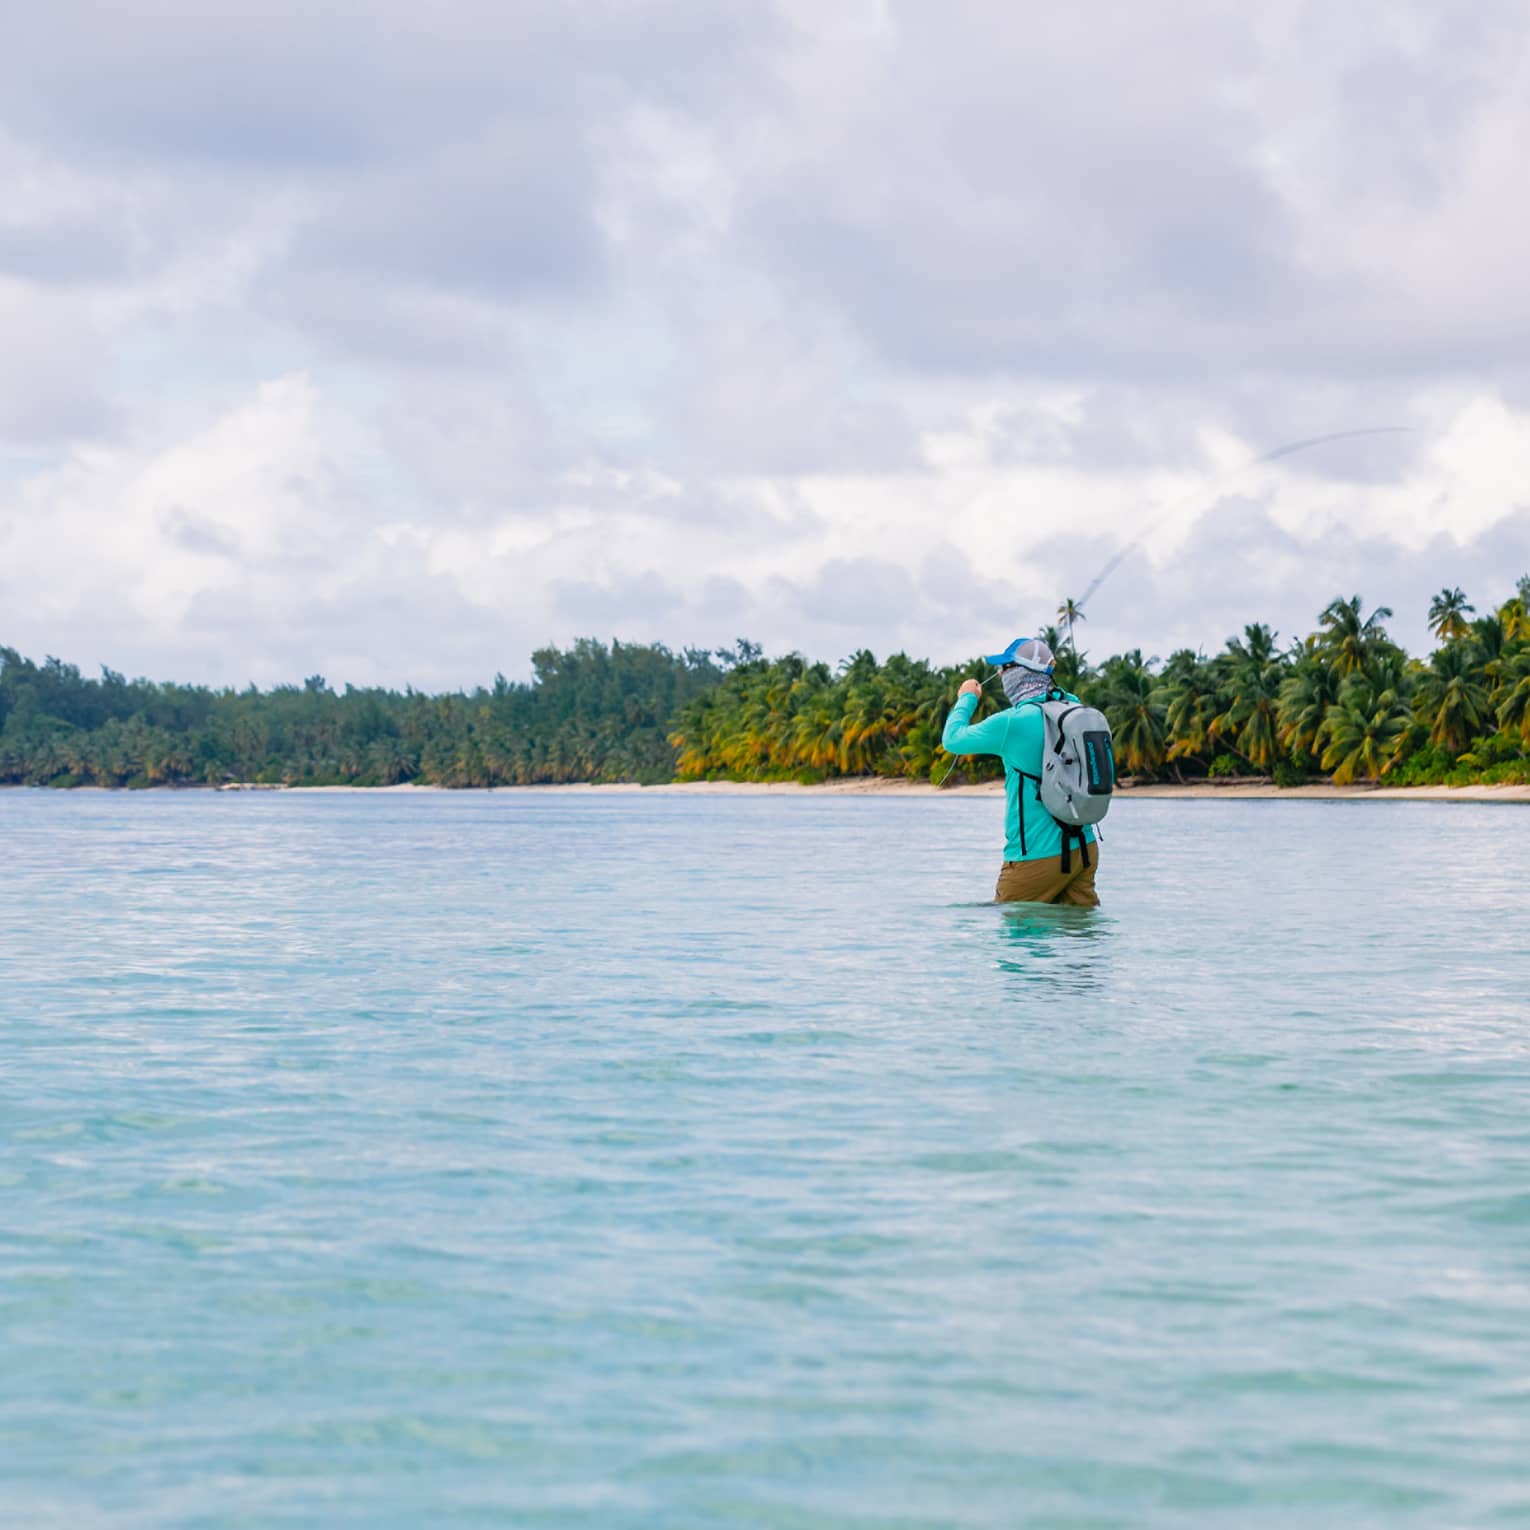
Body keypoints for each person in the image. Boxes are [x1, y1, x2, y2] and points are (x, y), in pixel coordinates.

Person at [941, 636, 1101, 906]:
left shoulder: (1013, 722)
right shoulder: (1073, 706)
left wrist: (967, 697)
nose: (1000, 675)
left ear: (1017, 673)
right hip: (1085, 849)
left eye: (1004, 668)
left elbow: (953, 739)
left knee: (1017, 942)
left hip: (1035, 857)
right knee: (1079, 939)